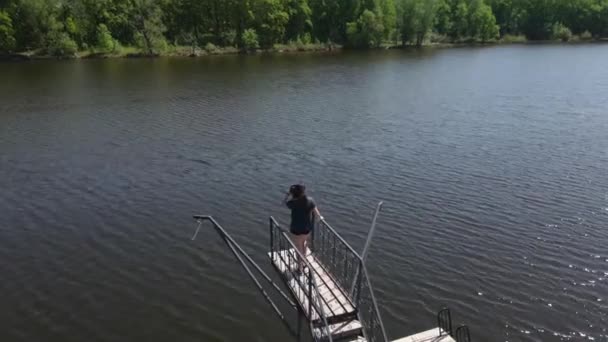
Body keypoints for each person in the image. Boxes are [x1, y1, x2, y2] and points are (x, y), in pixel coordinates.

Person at [284, 184, 322, 273]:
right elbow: (317, 214)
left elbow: (284, 203)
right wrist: (320, 218)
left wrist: (287, 195)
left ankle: (300, 267)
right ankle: (304, 262)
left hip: (296, 229)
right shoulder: (310, 201)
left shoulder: (292, 203)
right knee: (304, 243)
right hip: (307, 228)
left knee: (298, 247)